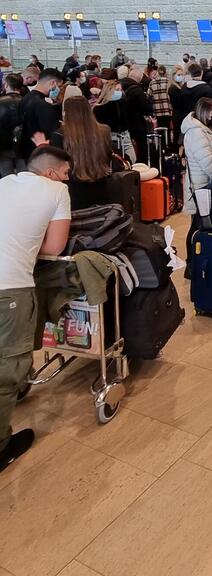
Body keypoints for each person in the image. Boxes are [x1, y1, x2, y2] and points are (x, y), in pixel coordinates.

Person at [0, 146, 73, 474]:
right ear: (52, 172)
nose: (69, 178)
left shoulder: (5, 182)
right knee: (8, 365)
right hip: (10, 286)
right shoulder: (57, 190)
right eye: (67, 172)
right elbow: (54, 247)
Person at [182, 97, 212, 264]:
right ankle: (192, 263)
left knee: (203, 224)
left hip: (209, 184)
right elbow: (207, 163)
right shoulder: (196, 132)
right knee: (198, 225)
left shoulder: (205, 129)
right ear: (204, 113)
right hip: (202, 186)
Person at [58, 96, 114, 182]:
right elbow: (108, 156)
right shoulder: (104, 130)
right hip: (102, 181)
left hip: (72, 186)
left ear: (66, 113)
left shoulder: (59, 135)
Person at [18, 68, 63, 161]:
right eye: (59, 86)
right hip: (41, 154)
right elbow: (52, 133)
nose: (58, 89)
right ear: (53, 83)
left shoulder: (25, 98)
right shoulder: (43, 105)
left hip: (28, 150)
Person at [120, 67, 152, 165]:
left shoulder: (120, 86)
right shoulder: (137, 90)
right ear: (138, 78)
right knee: (142, 148)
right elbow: (146, 108)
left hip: (124, 124)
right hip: (137, 124)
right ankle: (142, 166)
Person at [0, 74, 25, 177]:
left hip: (3, 148)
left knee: (6, 179)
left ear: (6, 84)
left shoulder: (0, 102)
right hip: (24, 147)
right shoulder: (28, 101)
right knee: (25, 177)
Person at [147, 66, 174, 144]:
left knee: (159, 129)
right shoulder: (168, 81)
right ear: (165, 72)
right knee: (168, 128)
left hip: (157, 111)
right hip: (168, 110)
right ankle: (168, 144)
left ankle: (161, 146)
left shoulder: (152, 83)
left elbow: (148, 96)